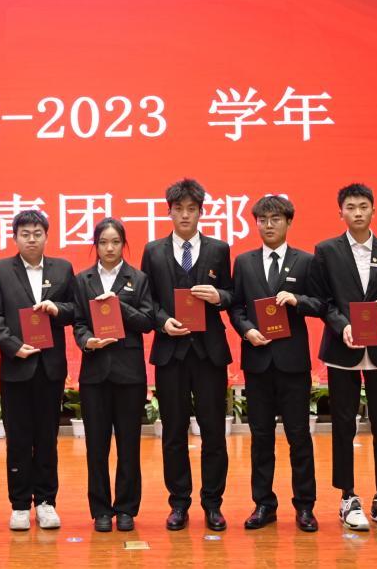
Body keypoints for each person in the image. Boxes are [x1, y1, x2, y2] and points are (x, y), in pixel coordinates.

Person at [308, 183, 377, 531]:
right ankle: (347, 496)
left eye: (364, 206)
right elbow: (322, 302)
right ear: (341, 213)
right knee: (343, 424)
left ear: (374, 210)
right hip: (342, 349)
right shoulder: (326, 251)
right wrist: (342, 325)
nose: (358, 212)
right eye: (351, 207)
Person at [140, 177, 234, 532]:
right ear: (169, 212)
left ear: (201, 212)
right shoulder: (153, 251)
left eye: (191, 209)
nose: (184, 215)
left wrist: (219, 297)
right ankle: (179, 503)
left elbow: (232, 294)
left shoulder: (219, 249)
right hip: (171, 352)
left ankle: (213, 503)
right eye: (178, 209)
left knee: (213, 431)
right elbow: (146, 300)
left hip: (209, 353)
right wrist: (162, 322)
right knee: (173, 432)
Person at [230, 195, 323, 532]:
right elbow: (236, 308)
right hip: (257, 362)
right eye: (262, 220)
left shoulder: (306, 261)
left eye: (275, 219)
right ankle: (263, 505)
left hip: (292, 363)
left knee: (299, 436)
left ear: (288, 222)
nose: (268, 225)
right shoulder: (244, 262)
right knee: (261, 437)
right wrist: (247, 330)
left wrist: (298, 299)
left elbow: (320, 304)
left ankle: (305, 507)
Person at [0, 209, 76, 531]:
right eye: (25, 234)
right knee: (19, 438)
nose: (31, 239)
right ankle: (20, 504)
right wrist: (13, 346)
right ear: (15, 237)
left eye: (37, 234)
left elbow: (75, 310)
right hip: (16, 366)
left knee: (48, 437)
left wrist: (57, 308)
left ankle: (47, 502)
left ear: (46, 236)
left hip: (50, 367)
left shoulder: (62, 269)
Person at [71, 218, 154, 533]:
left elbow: (147, 321)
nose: (109, 248)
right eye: (103, 242)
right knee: (96, 446)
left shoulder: (138, 278)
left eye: (115, 242)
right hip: (94, 373)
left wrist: (120, 307)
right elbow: (78, 322)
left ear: (124, 244)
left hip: (129, 373)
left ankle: (127, 508)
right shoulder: (83, 280)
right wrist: (86, 341)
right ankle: (101, 510)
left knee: (129, 445)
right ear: (95, 244)